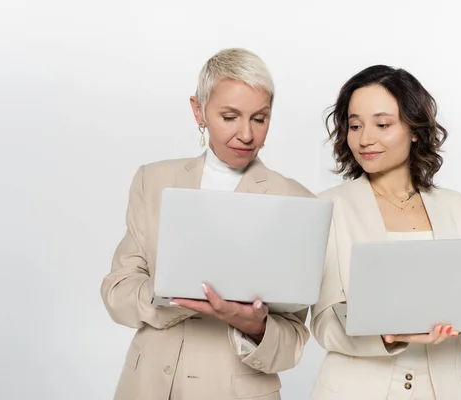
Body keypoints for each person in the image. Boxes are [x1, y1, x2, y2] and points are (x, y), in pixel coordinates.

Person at [101, 48, 312, 400]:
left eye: (260, 119)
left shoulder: (296, 201)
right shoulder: (153, 181)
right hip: (148, 385)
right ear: (198, 110)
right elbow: (116, 292)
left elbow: (293, 340)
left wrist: (255, 326)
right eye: (230, 116)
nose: (246, 134)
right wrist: (168, 294)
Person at [310, 65, 461, 400]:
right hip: (355, 389)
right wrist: (389, 334)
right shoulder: (328, 208)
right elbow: (324, 323)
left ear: (414, 128)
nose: (365, 139)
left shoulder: (455, 207)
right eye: (355, 125)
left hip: (443, 390)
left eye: (382, 124)